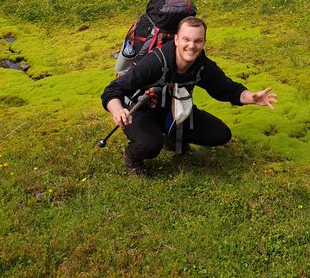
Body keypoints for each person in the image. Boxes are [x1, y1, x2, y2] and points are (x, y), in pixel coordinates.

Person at [101, 16, 277, 176]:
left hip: (175, 111)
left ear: (204, 42)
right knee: (149, 145)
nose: (191, 46)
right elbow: (112, 90)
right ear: (176, 39)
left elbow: (228, 89)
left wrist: (251, 98)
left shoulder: (202, 66)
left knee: (221, 134)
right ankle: (133, 157)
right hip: (140, 112)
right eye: (186, 39)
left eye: (197, 41)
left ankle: (171, 140)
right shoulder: (155, 62)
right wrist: (118, 110)